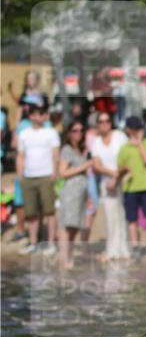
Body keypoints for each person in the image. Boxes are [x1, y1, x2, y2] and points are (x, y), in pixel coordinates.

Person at [15, 104, 60, 255]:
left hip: (46, 175)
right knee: (31, 212)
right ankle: (34, 242)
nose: (43, 116)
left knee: (49, 211)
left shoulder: (51, 132)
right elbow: (20, 156)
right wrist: (20, 175)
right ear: (32, 116)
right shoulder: (24, 133)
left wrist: (55, 173)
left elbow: (56, 154)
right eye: (39, 113)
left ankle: (51, 243)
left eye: (44, 113)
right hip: (28, 176)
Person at [89, 111, 130, 260]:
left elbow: (128, 158)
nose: (105, 123)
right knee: (110, 215)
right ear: (97, 124)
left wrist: (117, 176)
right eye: (101, 121)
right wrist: (111, 174)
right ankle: (112, 249)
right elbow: (96, 164)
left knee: (123, 215)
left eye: (107, 120)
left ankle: (125, 249)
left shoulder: (120, 137)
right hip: (107, 181)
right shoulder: (96, 142)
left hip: (124, 179)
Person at [118, 116, 146, 256]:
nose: (138, 131)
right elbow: (119, 167)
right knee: (132, 219)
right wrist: (124, 169)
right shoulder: (124, 148)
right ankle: (135, 248)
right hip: (130, 188)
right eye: (135, 129)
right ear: (128, 130)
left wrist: (139, 143)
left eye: (140, 128)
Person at [56, 120, 91, 269]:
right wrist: (84, 165)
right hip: (70, 192)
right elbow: (62, 172)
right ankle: (64, 259)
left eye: (81, 130)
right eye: (75, 130)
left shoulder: (81, 150)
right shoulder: (67, 149)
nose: (79, 133)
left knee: (75, 226)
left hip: (81, 193)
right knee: (67, 225)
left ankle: (68, 256)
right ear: (69, 133)